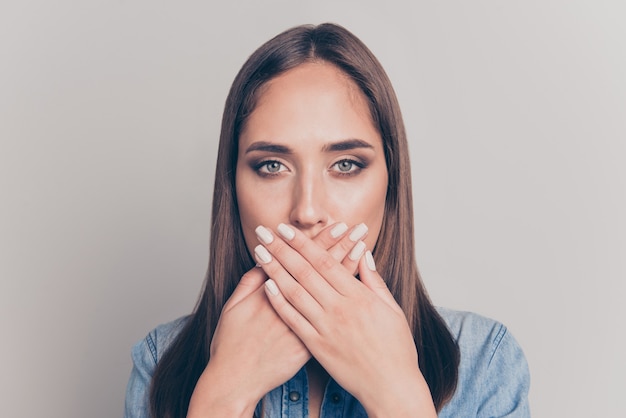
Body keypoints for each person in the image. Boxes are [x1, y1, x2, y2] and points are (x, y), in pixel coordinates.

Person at [124, 23, 530, 418]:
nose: (307, 210)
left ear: (391, 186)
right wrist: (223, 398)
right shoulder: (161, 362)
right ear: (233, 189)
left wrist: (397, 396)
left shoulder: (484, 362)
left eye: (346, 164)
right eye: (271, 166)